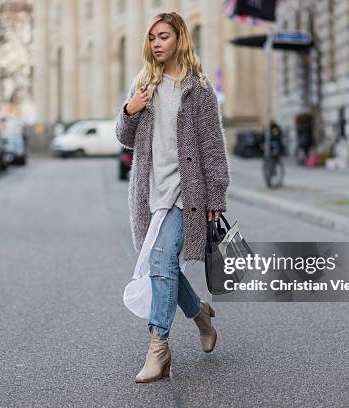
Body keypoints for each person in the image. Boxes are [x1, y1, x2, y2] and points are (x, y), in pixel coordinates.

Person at [115, 12, 230, 383]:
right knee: (162, 268)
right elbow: (124, 136)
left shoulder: (198, 89)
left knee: (162, 262)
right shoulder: (144, 83)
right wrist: (130, 110)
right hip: (151, 192)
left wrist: (217, 199)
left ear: (180, 38)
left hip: (187, 194)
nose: (156, 44)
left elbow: (213, 149)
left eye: (163, 36)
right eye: (152, 38)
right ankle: (200, 316)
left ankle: (158, 348)